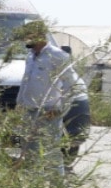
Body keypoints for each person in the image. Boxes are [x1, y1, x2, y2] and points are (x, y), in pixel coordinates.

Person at [15, 20, 83, 177]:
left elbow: (71, 86)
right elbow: (25, 82)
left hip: (49, 113)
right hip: (29, 112)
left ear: (39, 36)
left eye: (28, 35)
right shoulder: (30, 57)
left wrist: (59, 109)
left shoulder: (58, 56)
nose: (25, 39)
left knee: (52, 154)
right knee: (31, 153)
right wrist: (19, 105)